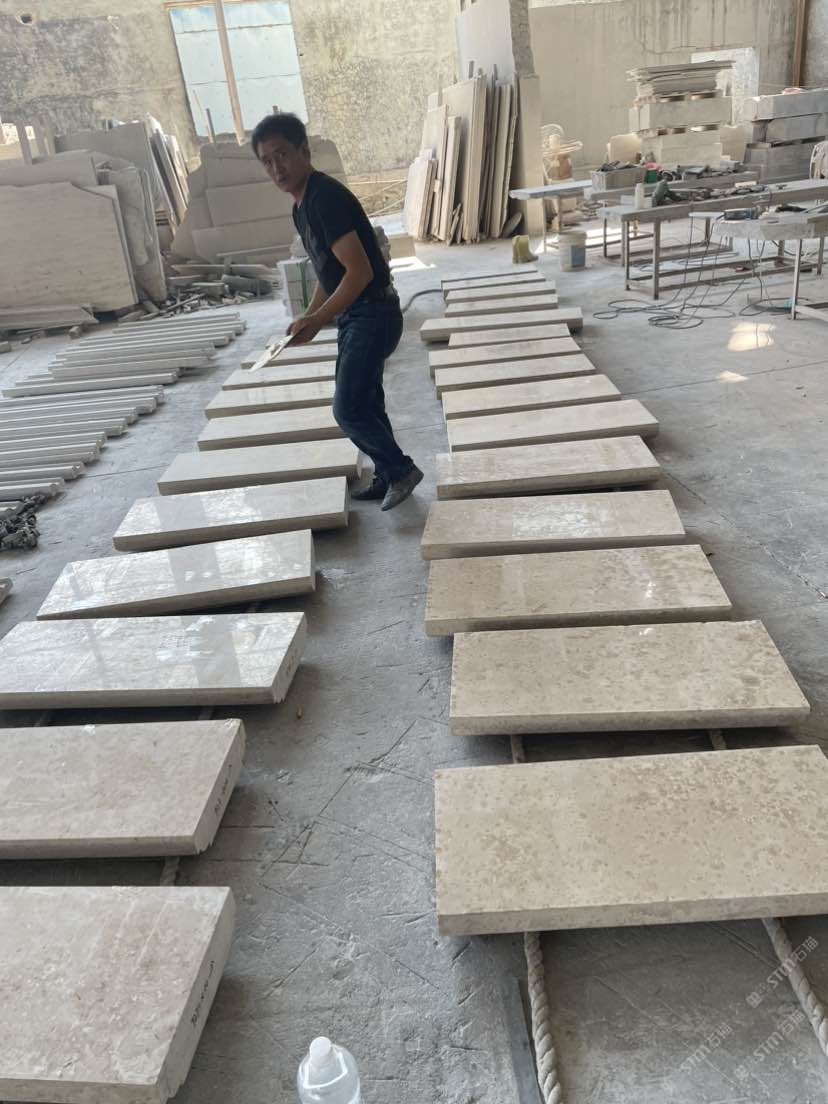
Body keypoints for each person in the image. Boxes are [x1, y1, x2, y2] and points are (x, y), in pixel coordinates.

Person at [251, 112, 423, 511]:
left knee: (347, 409)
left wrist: (319, 319)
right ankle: (386, 474)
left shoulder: (325, 199)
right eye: (267, 161)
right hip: (358, 314)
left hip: (374, 313)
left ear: (304, 151)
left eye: (282, 155)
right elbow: (330, 273)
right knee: (367, 402)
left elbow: (360, 272)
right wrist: (309, 316)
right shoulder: (302, 205)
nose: (276, 168)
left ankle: (400, 470)